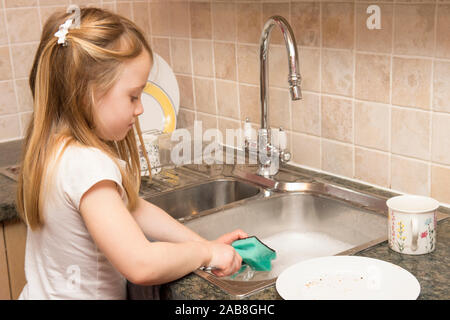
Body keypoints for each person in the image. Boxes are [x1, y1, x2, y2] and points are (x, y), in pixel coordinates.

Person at [16, 7, 247, 300]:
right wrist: (203, 252)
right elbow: (141, 264)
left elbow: (135, 209)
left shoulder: (55, 149)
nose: (140, 109)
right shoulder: (87, 165)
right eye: (133, 96)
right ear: (87, 92)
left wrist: (204, 244)